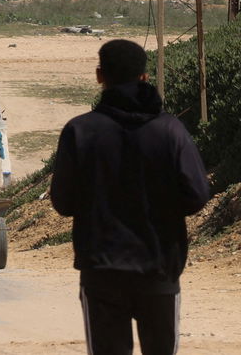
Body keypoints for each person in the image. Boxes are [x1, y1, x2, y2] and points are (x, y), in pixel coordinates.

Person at [52, 39, 210, 355]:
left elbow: (63, 203)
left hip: (102, 272)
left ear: (100, 76)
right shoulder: (170, 130)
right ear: (144, 77)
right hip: (159, 268)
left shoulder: (80, 131)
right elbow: (197, 195)